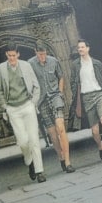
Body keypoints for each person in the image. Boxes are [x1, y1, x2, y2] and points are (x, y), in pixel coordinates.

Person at [0, 42, 46, 183]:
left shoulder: (26, 65)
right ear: (6, 55)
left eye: (14, 55)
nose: (12, 58)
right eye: (9, 55)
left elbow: (36, 86)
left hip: (27, 105)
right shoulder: (0, 69)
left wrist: (33, 103)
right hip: (13, 109)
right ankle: (29, 161)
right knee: (23, 141)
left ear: (18, 54)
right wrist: (5, 106)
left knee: (34, 139)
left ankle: (39, 171)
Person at [28, 42, 75, 173]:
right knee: (53, 133)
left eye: (44, 54)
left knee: (61, 128)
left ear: (46, 52)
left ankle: (68, 162)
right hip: (42, 101)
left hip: (55, 97)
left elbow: (61, 76)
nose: (42, 57)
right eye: (40, 54)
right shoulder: (30, 64)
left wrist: (60, 92)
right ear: (35, 52)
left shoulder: (53, 61)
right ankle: (61, 158)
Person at [70, 39, 102, 162]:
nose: (80, 49)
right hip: (86, 97)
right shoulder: (75, 65)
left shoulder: (97, 63)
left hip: (99, 94)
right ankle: (100, 146)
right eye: (78, 47)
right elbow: (73, 82)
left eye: (82, 47)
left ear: (88, 48)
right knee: (95, 131)